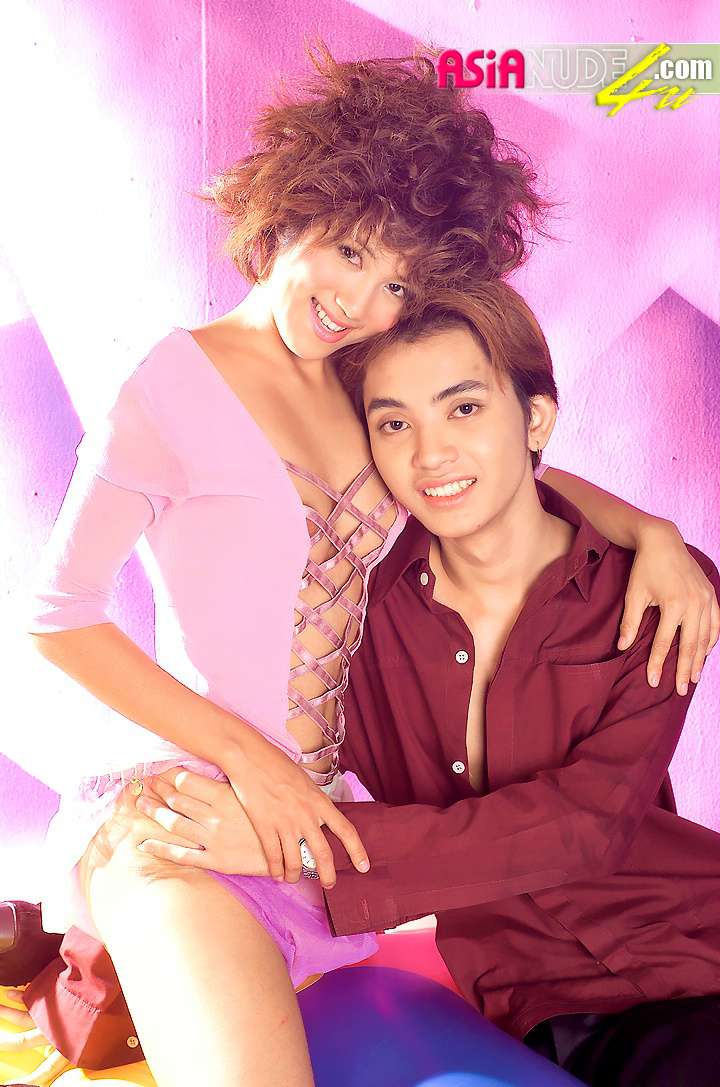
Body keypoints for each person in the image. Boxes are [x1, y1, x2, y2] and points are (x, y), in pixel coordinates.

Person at [2, 50, 719, 1087]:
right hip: (201, 814)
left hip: (328, 825)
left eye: (397, 285)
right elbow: (56, 613)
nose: (360, 302)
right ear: (294, 203)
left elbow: (483, 474)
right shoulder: (169, 387)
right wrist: (250, 764)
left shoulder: (357, 382)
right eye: (348, 250)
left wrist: (651, 531)